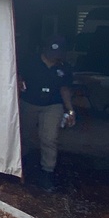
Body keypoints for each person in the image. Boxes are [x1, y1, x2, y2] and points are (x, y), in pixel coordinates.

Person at [19, 35, 76, 191]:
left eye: (58, 52)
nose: (54, 55)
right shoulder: (30, 62)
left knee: (49, 138)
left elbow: (65, 89)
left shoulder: (64, 68)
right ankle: (19, 166)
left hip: (53, 105)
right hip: (29, 103)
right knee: (24, 135)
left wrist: (70, 109)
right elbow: (16, 76)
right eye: (52, 51)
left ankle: (47, 172)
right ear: (45, 49)